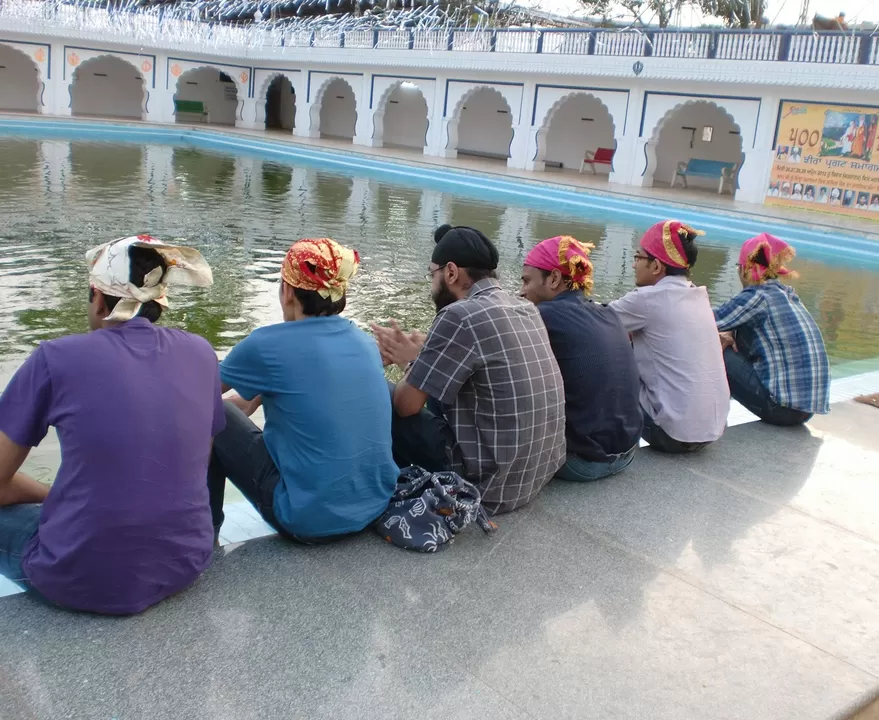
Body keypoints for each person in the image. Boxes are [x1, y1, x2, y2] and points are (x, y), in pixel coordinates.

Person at [0, 235, 221, 615]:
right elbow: (195, 464)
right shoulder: (201, 352)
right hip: (185, 563)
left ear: (97, 298)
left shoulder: (56, 358)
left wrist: (51, 496)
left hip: (79, 576)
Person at [210, 238, 398, 543]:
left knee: (212, 412)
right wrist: (254, 399)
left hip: (308, 519)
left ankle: (207, 530)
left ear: (287, 291)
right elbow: (309, 385)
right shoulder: (363, 340)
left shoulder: (266, 344)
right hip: (374, 506)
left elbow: (195, 393)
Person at [374, 225, 565, 514]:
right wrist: (420, 361)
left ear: (450, 273)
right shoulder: (526, 308)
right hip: (534, 476)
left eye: (432, 274)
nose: (431, 287)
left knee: (383, 395)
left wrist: (410, 362)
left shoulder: (458, 314)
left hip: (486, 487)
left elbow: (405, 406)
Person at [519, 236, 641, 482]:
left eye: (527, 281)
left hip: (580, 463)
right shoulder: (609, 314)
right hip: (627, 454)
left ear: (553, 279)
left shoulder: (541, 315)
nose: (521, 291)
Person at [608, 220, 730, 453]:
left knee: (601, 354)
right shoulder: (697, 294)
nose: (634, 265)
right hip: (712, 432)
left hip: (670, 434)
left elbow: (591, 323)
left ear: (656, 266)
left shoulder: (647, 299)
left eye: (638, 257)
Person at [715, 233, 830, 426]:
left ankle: (708, 420)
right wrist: (730, 332)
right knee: (733, 333)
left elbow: (702, 320)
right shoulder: (787, 294)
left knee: (713, 349)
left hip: (780, 409)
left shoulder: (757, 296)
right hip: (806, 411)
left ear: (745, 269)